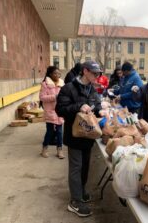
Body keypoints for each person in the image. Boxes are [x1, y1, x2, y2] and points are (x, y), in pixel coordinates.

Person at [55, 60, 105, 217]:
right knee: (76, 167)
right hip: (74, 135)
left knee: (85, 166)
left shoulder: (92, 89)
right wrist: (78, 106)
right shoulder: (68, 88)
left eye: (98, 74)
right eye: (94, 73)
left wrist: (100, 110)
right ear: (85, 71)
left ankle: (81, 191)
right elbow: (60, 109)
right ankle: (75, 201)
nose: (97, 76)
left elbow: (96, 105)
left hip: (88, 136)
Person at [39, 66, 65, 159]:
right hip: (50, 111)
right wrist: (55, 97)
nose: (57, 75)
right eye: (55, 73)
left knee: (59, 132)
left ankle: (59, 150)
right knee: (50, 131)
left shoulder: (62, 83)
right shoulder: (45, 84)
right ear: (50, 74)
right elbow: (42, 97)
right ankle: (44, 148)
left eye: (59, 73)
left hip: (60, 110)